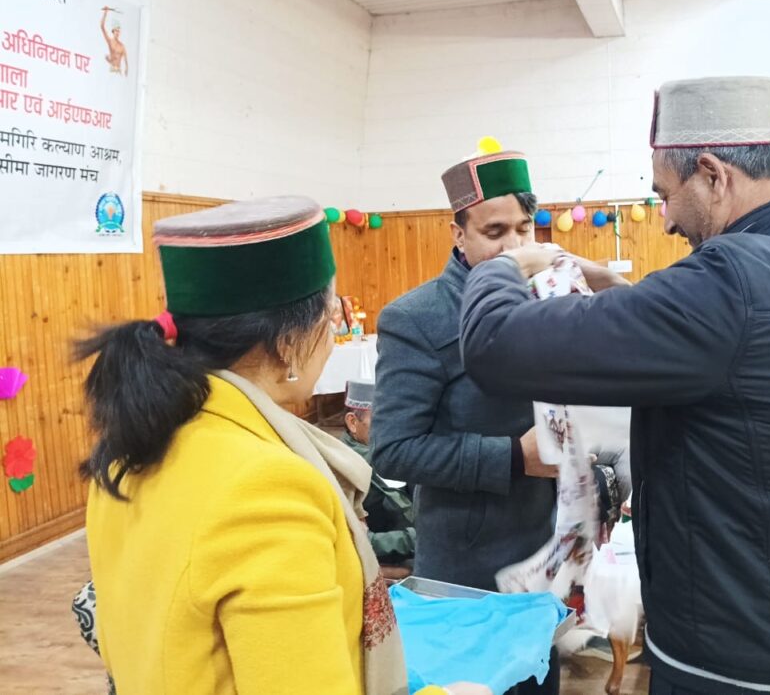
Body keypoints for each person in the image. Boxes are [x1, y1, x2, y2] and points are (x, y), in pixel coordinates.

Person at [459, 77, 770, 695]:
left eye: (665, 195)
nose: (667, 219)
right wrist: (611, 284)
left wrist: (508, 263)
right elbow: (734, 354)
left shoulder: (730, 281)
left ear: (713, 175)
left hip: (738, 663)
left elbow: (493, 343)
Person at [78, 195, 488, 695]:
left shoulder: (129, 448)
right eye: (332, 316)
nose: (334, 332)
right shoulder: (267, 489)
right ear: (289, 343)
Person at [372, 139, 560, 694]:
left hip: (543, 550)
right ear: (458, 234)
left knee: (538, 681)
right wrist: (513, 457)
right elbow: (393, 449)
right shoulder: (417, 318)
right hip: (466, 564)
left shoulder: (548, 300)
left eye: (524, 228)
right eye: (494, 232)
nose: (515, 246)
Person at [340, 379, 417, 573]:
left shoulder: (393, 451)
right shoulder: (345, 469)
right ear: (353, 422)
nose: (392, 428)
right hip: (393, 560)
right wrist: (416, 539)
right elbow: (354, 540)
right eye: (380, 420)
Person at [100, 6, 128, 75]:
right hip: (112, 69)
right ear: (113, 31)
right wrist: (105, 13)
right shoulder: (110, 41)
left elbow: (125, 59)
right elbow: (102, 26)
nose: (117, 33)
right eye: (116, 31)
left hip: (119, 70)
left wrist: (126, 68)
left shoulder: (122, 46)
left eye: (118, 31)